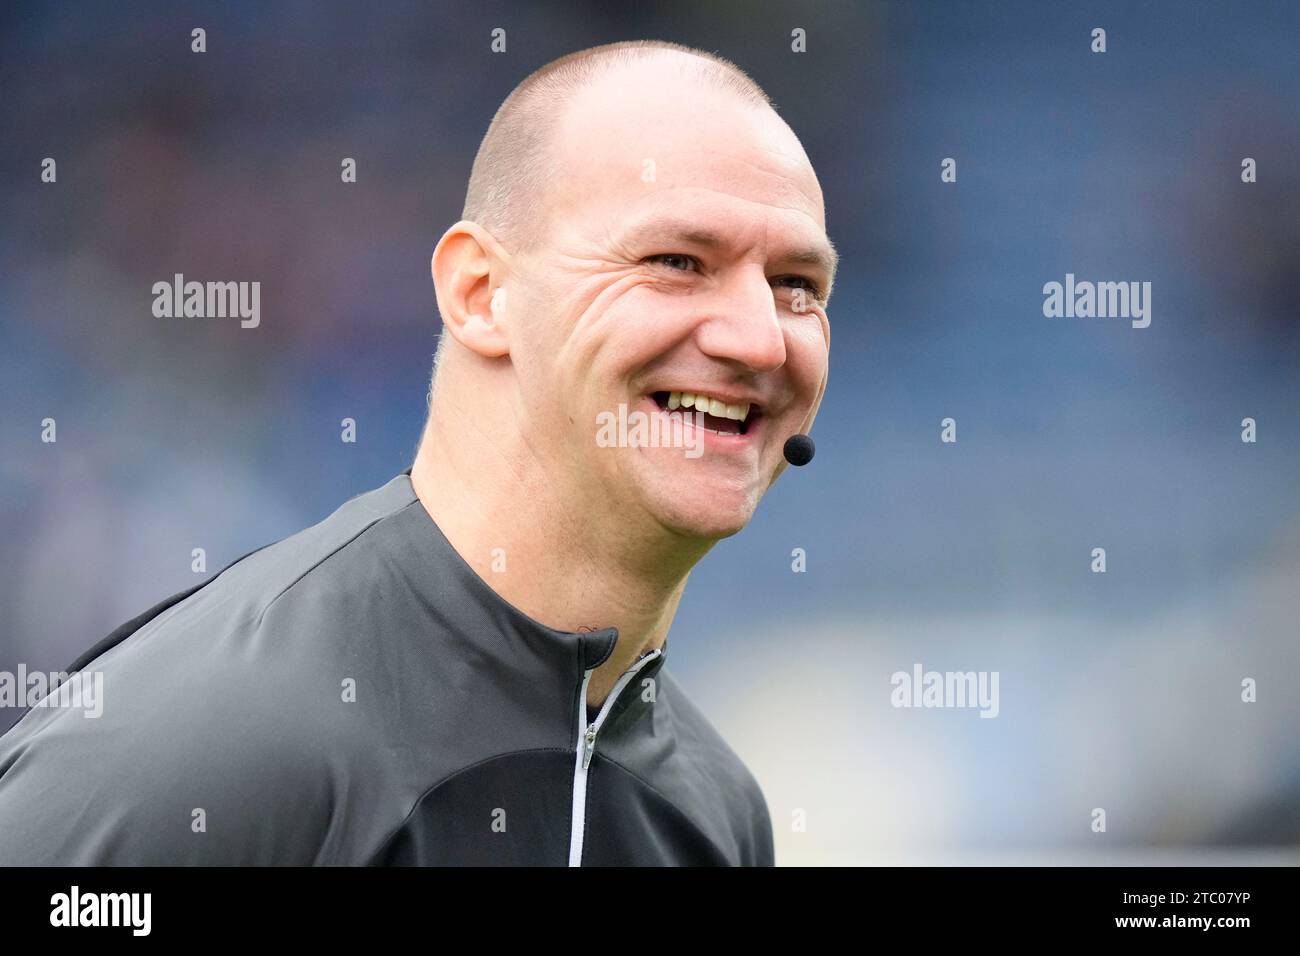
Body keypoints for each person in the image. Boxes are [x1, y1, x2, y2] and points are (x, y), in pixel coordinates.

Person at [0, 38, 836, 866]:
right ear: (481, 295)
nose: (761, 340)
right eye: (678, 262)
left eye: (797, 285)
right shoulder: (202, 746)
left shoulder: (719, 813)